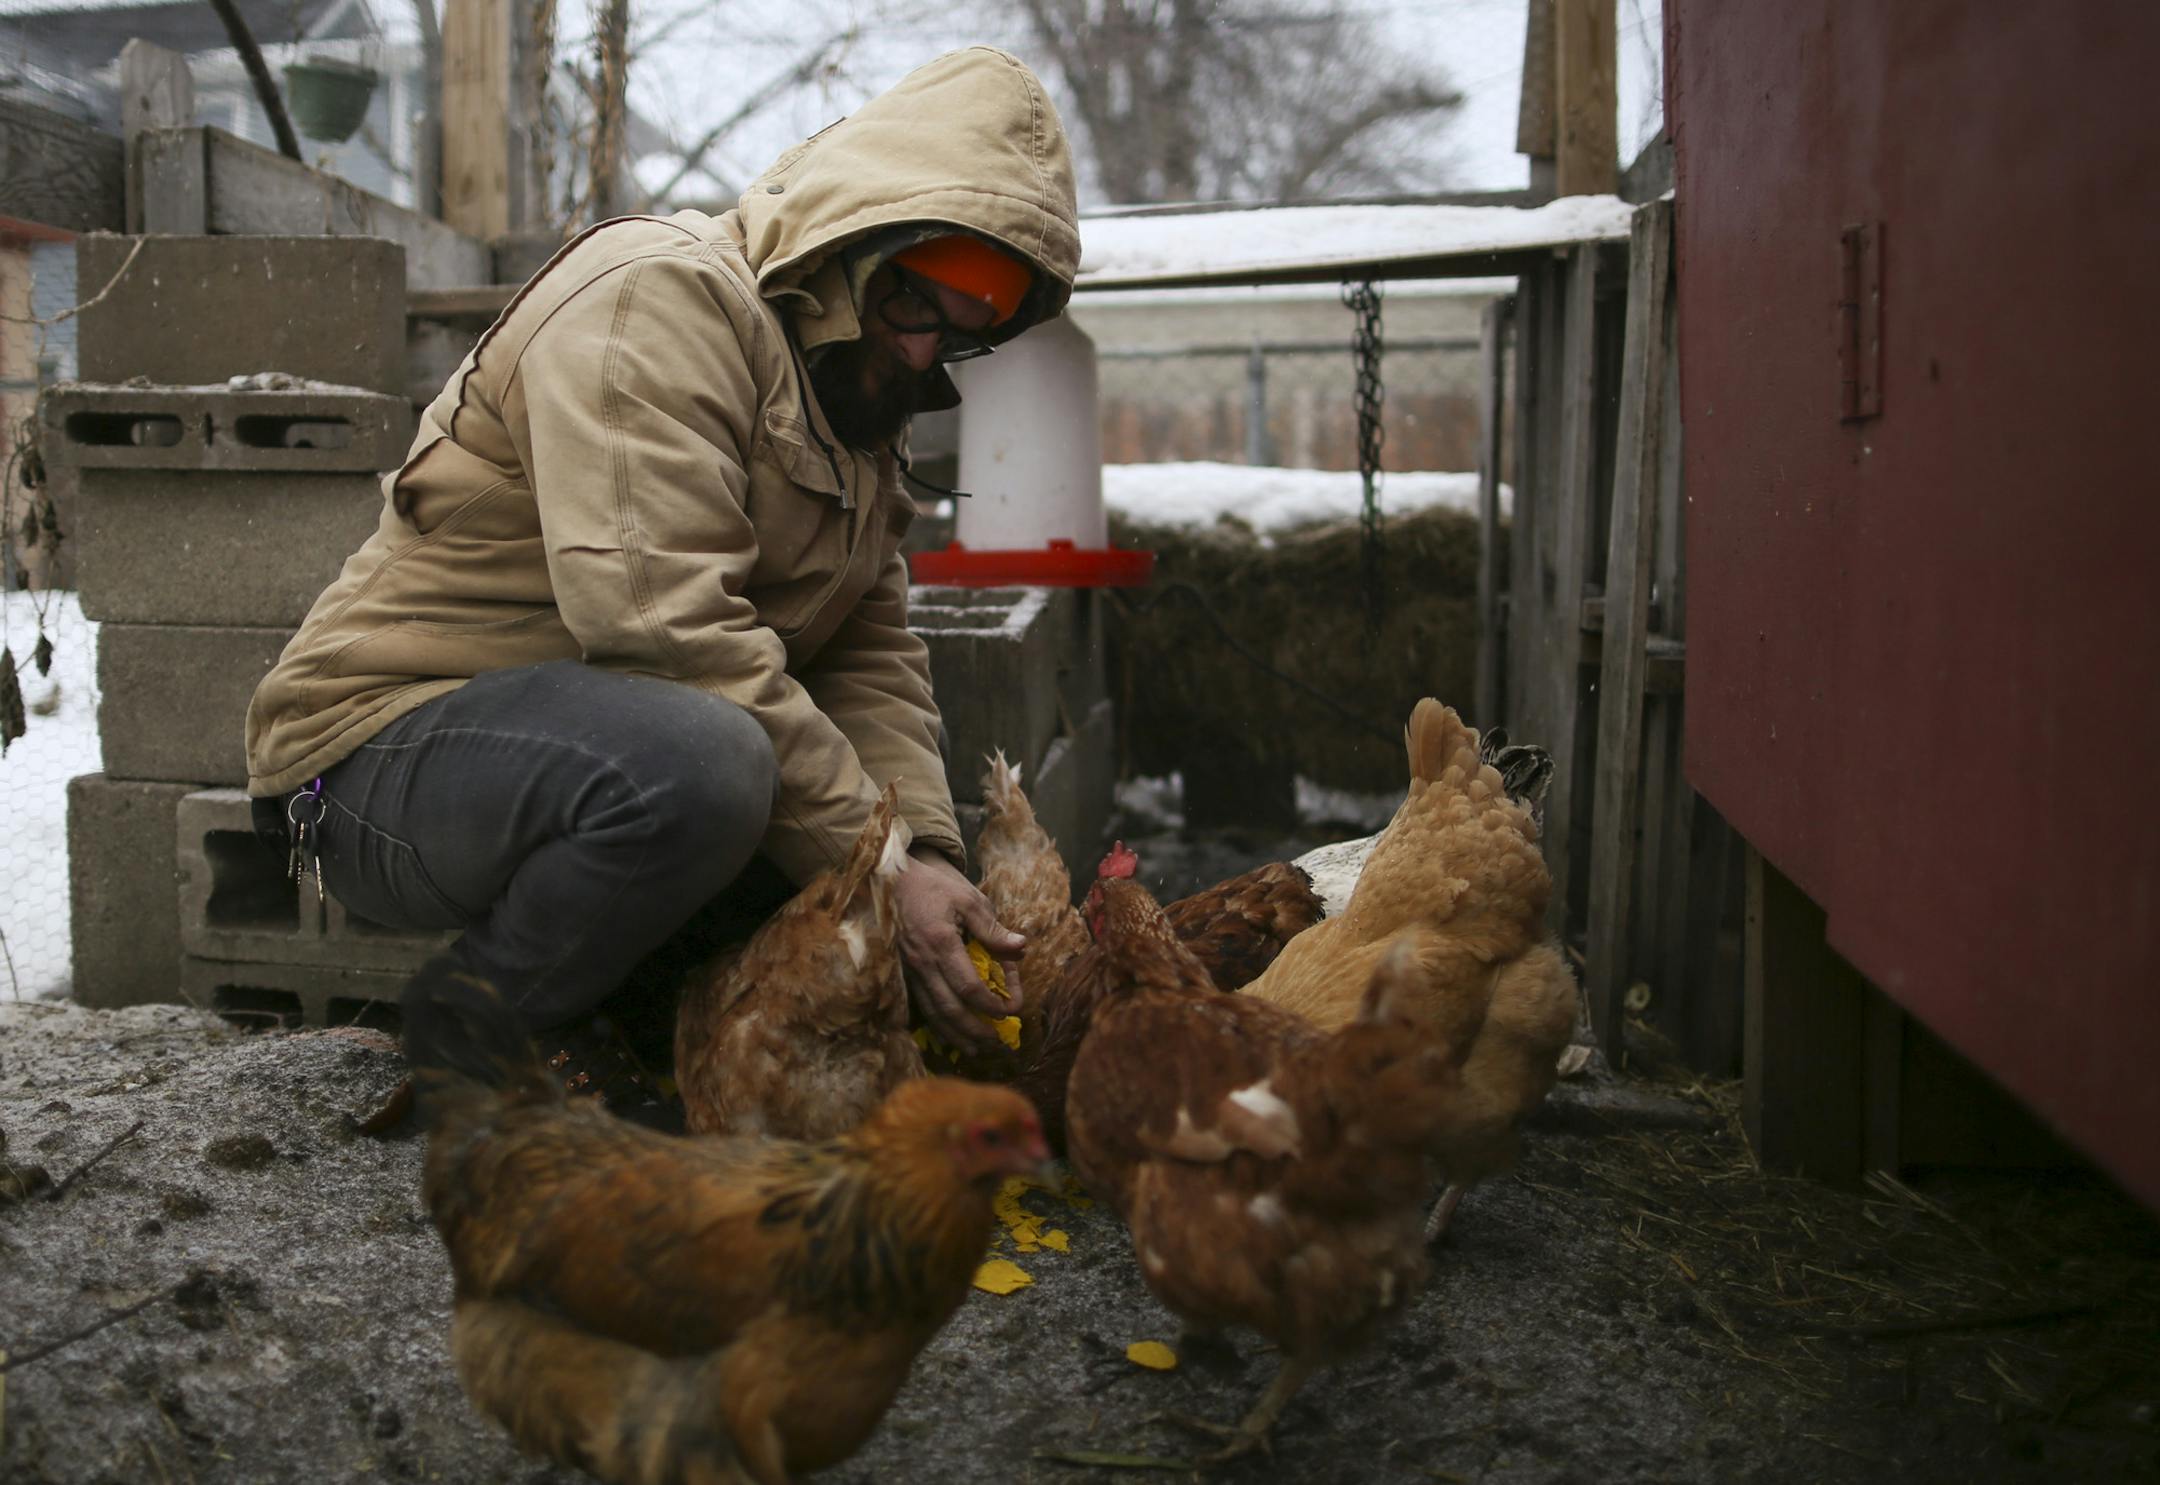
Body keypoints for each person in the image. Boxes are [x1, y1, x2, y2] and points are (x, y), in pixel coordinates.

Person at [242, 47, 1081, 1105]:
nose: (923, 359)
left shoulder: (850, 396)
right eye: (918, 309)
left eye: (966, 337)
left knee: (794, 847)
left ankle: (619, 1022)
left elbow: (868, 653)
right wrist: (880, 871)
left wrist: (923, 852)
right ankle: (478, 1024)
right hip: (373, 763)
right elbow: (665, 633)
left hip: (582, 749)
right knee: (711, 764)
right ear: (860, 239)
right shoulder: (654, 303)